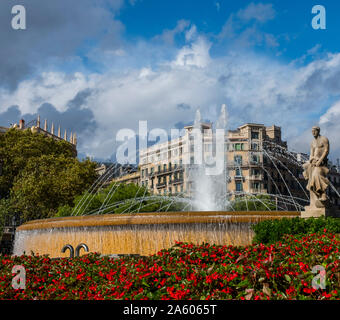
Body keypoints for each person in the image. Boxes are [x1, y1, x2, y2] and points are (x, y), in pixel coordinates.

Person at [303, 126, 330, 207]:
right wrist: (311, 160)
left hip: (322, 164)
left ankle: (322, 194)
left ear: (318, 131)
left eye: (314, 131)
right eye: (312, 131)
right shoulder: (312, 142)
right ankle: (314, 199)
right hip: (314, 162)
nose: (313, 133)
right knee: (305, 167)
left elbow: (326, 151)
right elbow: (311, 153)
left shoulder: (324, 139)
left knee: (316, 175)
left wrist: (320, 161)